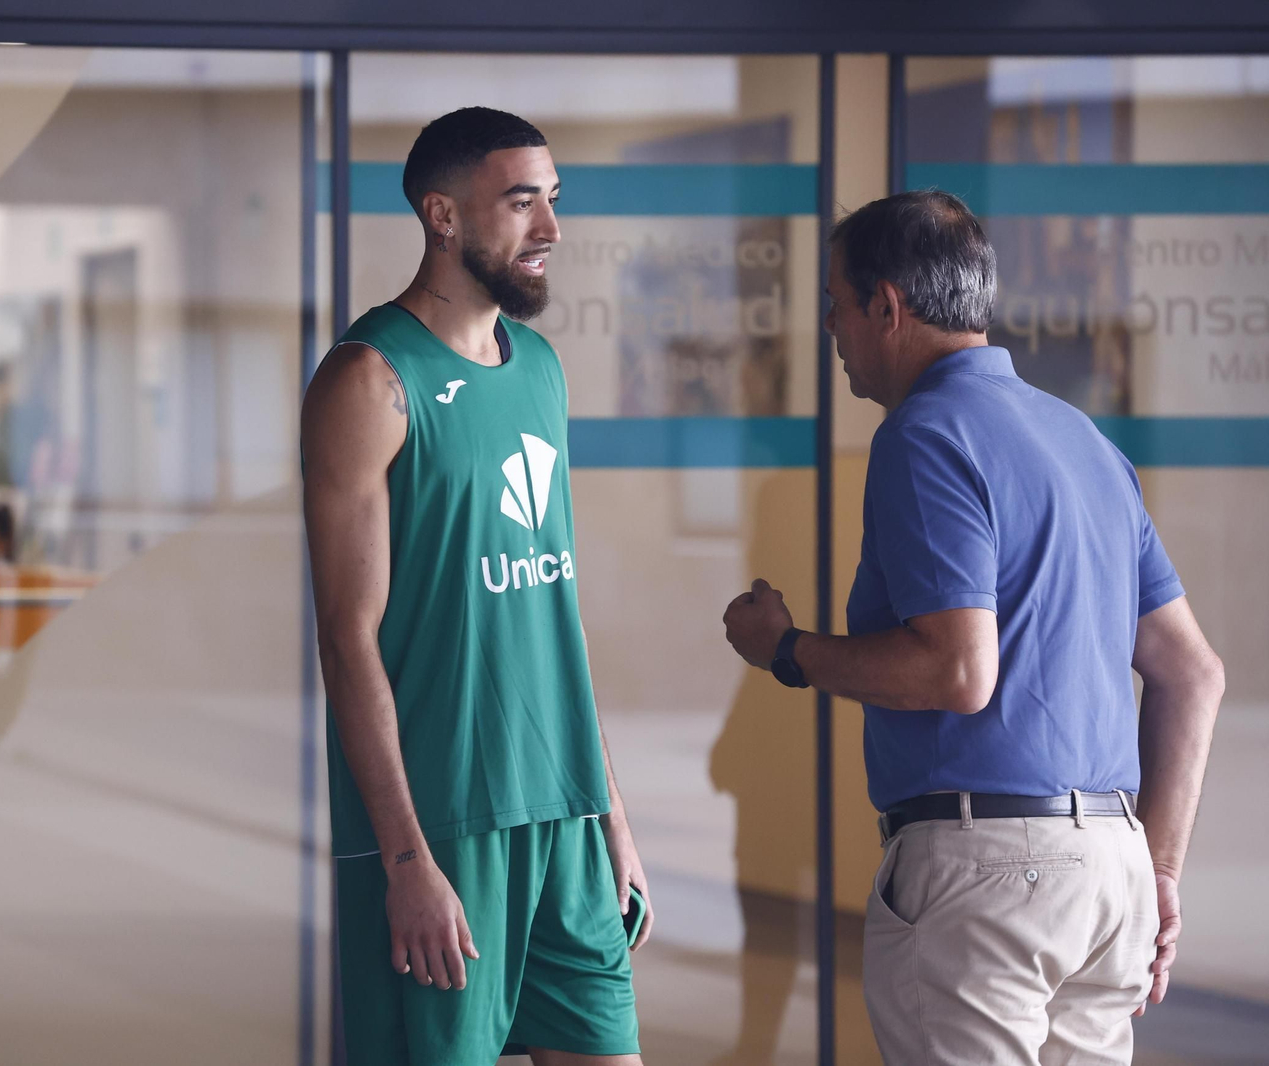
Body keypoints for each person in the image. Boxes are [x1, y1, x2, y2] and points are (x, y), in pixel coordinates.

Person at [720, 190, 1225, 1065]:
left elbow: (958, 672)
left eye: (836, 304)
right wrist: (1160, 871)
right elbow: (1193, 672)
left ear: (889, 306)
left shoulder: (925, 434)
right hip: (1112, 875)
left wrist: (788, 653)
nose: (830, 329)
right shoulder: (1087, 444)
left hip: (989, 878)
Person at [302, 107, 651, 1066]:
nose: (551, 230)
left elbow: (551, 608)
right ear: (444, 214)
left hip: (566, 821)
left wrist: (609, 815)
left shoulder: (539, 367)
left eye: (553, 201)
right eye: (522, 201)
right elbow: (348, 638)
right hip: (447, 826)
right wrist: (406, 860)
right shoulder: (369, 381)